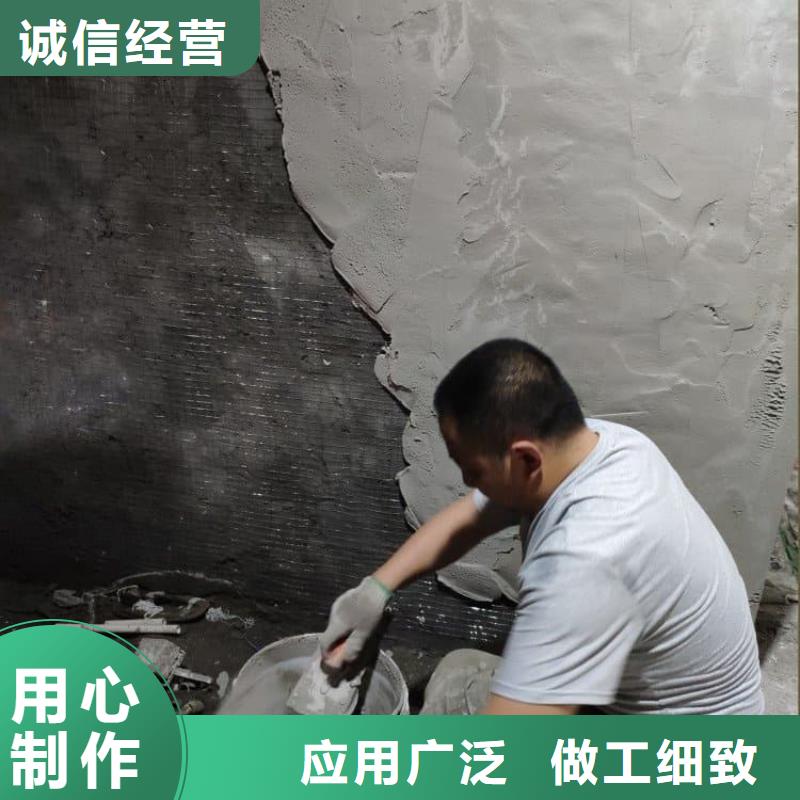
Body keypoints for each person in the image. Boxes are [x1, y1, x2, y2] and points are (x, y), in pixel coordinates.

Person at [320, 338, 764, 714]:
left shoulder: (585, 561)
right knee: (459, 675)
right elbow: (468, 519)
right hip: (672, 700)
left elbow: (508, 757)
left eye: (473, 468)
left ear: (525, 459)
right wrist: (376, 590)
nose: (468, 481)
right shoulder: (596, 446)